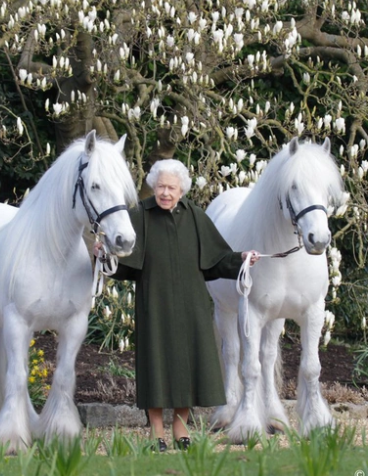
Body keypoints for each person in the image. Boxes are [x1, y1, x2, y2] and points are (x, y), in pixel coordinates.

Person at [97, 158, 259, 452]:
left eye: (171, 187)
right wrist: (103, 255)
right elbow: (123, 265)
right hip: (154, 305)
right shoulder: (140, 216)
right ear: (153, 187)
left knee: (188, 367)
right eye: (160, 187)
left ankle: (181, 428)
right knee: (155, 368)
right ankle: (157, 432)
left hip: (192, 306)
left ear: (181, 190)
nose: (165, 193)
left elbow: (217, 260)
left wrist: (242, 258)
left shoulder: (195, 217)